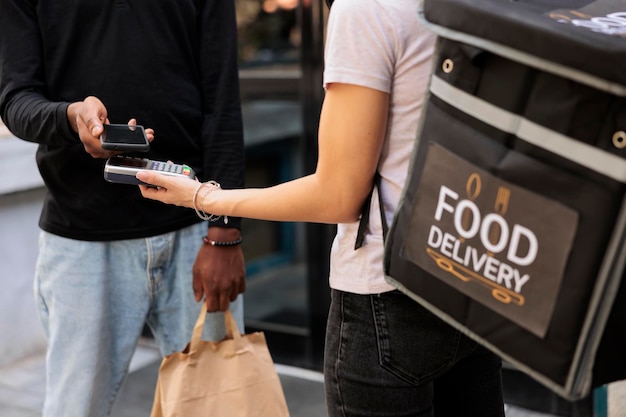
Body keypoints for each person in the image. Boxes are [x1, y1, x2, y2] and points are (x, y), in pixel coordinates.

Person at [137, 0, 505, 416]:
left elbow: (338, 197)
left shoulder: (367, 10)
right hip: (468, 273)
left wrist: (201, 197)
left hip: (388, 295)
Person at [0, 1, 246, 416]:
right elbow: (15, 99)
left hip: (196, 230)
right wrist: (71, 117)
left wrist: (224, 230)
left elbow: (222, 101)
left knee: (214, 408)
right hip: (82, 242)